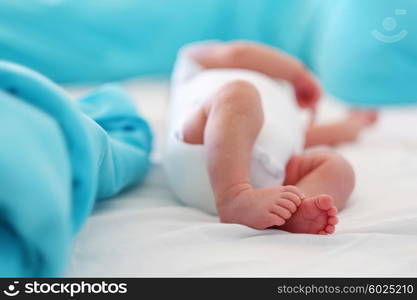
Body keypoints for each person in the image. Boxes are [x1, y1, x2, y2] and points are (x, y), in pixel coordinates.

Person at [165, 41, 377, 234]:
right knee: (238, 94)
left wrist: (353, 125)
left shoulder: (279, 109)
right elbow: (239, 53)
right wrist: (298, 74)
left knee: (337, 167)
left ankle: (296, 208)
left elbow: (308, 137)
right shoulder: (193, 63)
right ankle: (234, 196)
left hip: (267, 187)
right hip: (201, 142)